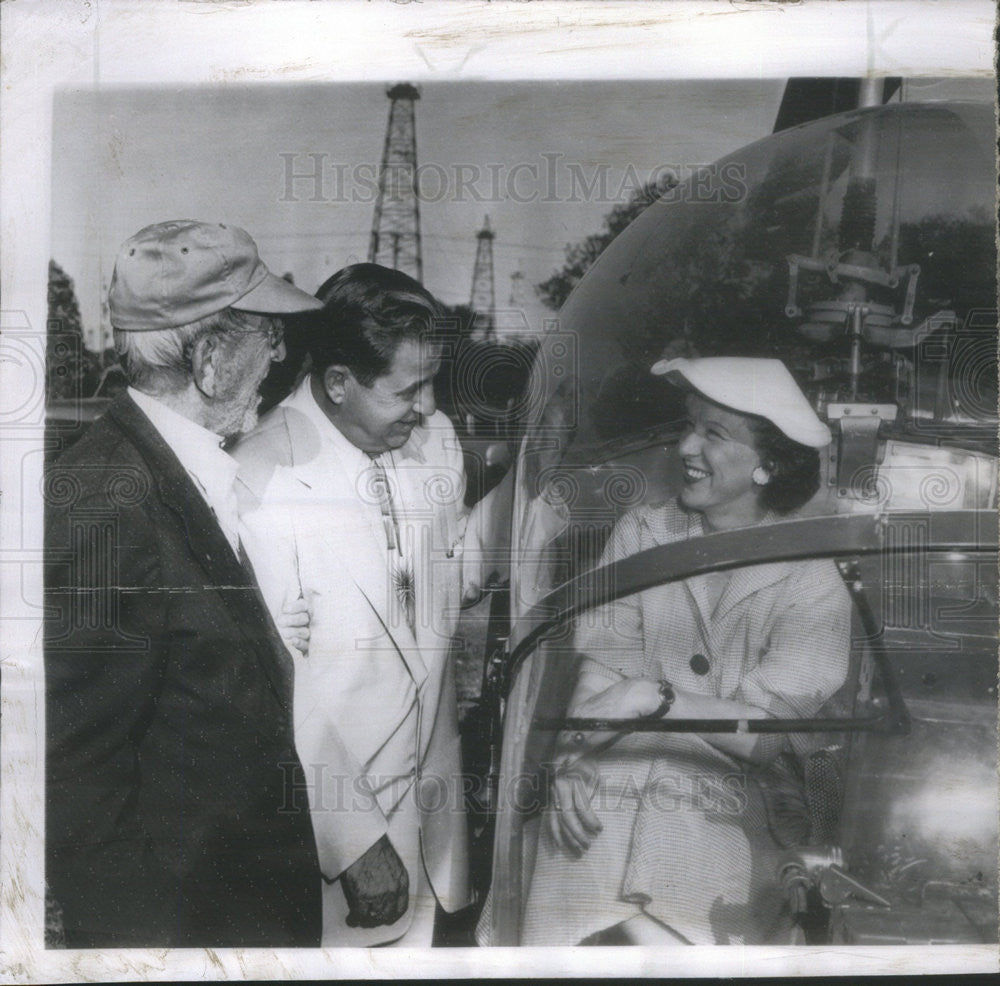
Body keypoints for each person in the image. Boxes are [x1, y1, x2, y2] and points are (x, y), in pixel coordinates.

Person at [45, 220, 325, 948]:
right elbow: (80, 794)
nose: (278, 355)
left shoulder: (165, 471)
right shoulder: (105, 506)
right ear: (208, 359)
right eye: (268, 335)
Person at [520, 356, 852, 946]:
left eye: (714, 435)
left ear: (766, 467)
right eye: (688, 426)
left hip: (733, 811)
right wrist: (573, 756)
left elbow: (765, 736)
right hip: (614, 786)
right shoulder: (645, 531)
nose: (685, 446)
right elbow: (602, 665)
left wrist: (655, 697)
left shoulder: (813, 577)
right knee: (568, 841)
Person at [233, 263, 471, 946]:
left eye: (433, 381)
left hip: (433, 822)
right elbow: (275, 686)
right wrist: (355, 842)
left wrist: (537, 493)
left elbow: (450, 580)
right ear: (338, 383)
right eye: (408, 388)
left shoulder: (432, 440)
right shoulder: (261, 477)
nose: (428, 406)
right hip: (334, 845)